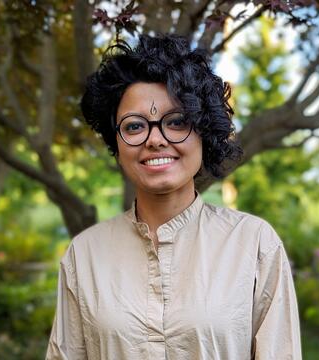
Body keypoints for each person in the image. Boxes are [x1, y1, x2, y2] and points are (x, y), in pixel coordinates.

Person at [46, 33, 301, 359]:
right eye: (135, 126)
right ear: (117, 144)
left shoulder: (254, 245)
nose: (155, 140)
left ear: (203, 133)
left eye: (177, 121)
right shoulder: (85, 255)